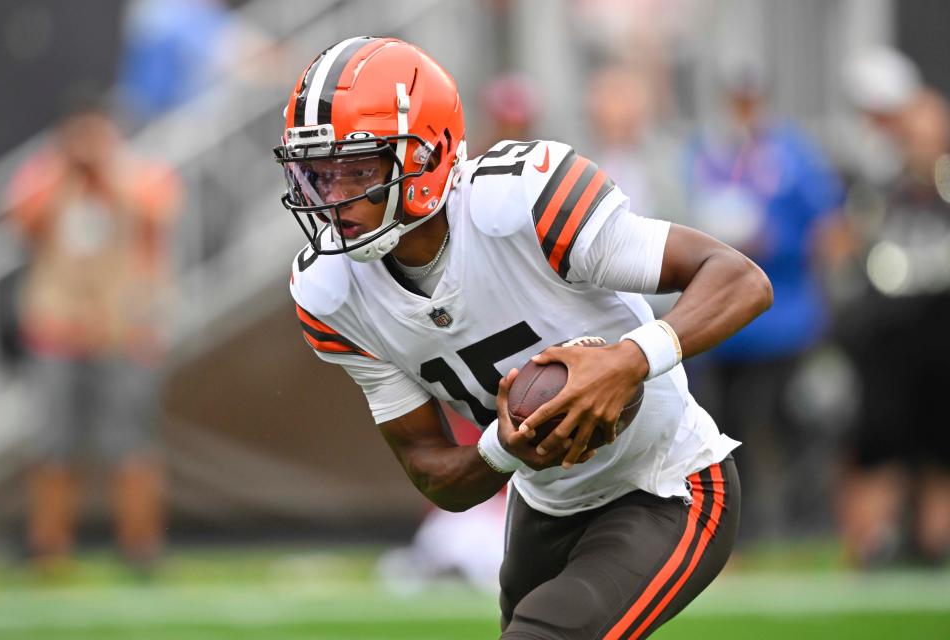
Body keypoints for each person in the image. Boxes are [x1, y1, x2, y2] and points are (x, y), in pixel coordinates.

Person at [274, 37, 771, 639]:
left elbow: (739, 279)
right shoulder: (330, 293)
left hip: (666, 481)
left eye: (355, 168)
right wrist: (507, 450)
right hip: (544, 505)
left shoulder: (521, 203)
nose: (333, 197)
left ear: (426, 156)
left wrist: (629, 360)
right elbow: (434, 473)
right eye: (318, 173)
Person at [6, 103, 181, 573]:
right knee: (52, 444)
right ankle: (49, 547)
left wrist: (104, 173)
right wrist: (67, 175)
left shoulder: (138, 173)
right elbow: (21, 220)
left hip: (123, 332)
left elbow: (159, 210)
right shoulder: (44, 174)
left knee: (132, 444)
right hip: (56, 331)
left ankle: (140, 547)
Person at [682, 59, 844, 541]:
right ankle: (743, 526)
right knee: (729, 429)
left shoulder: (793, 153)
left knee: (793, 424)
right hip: (724, 323)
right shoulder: (705, 152)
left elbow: (827, 226)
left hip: (785, 314)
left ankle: (802, 521)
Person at [834, 46, 950, 567]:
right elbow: (846, 252)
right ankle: (872, 547)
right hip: (885, 344)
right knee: (877, 449)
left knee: (940, 454)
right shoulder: (879, 189)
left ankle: (935, 546)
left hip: (942, 340)